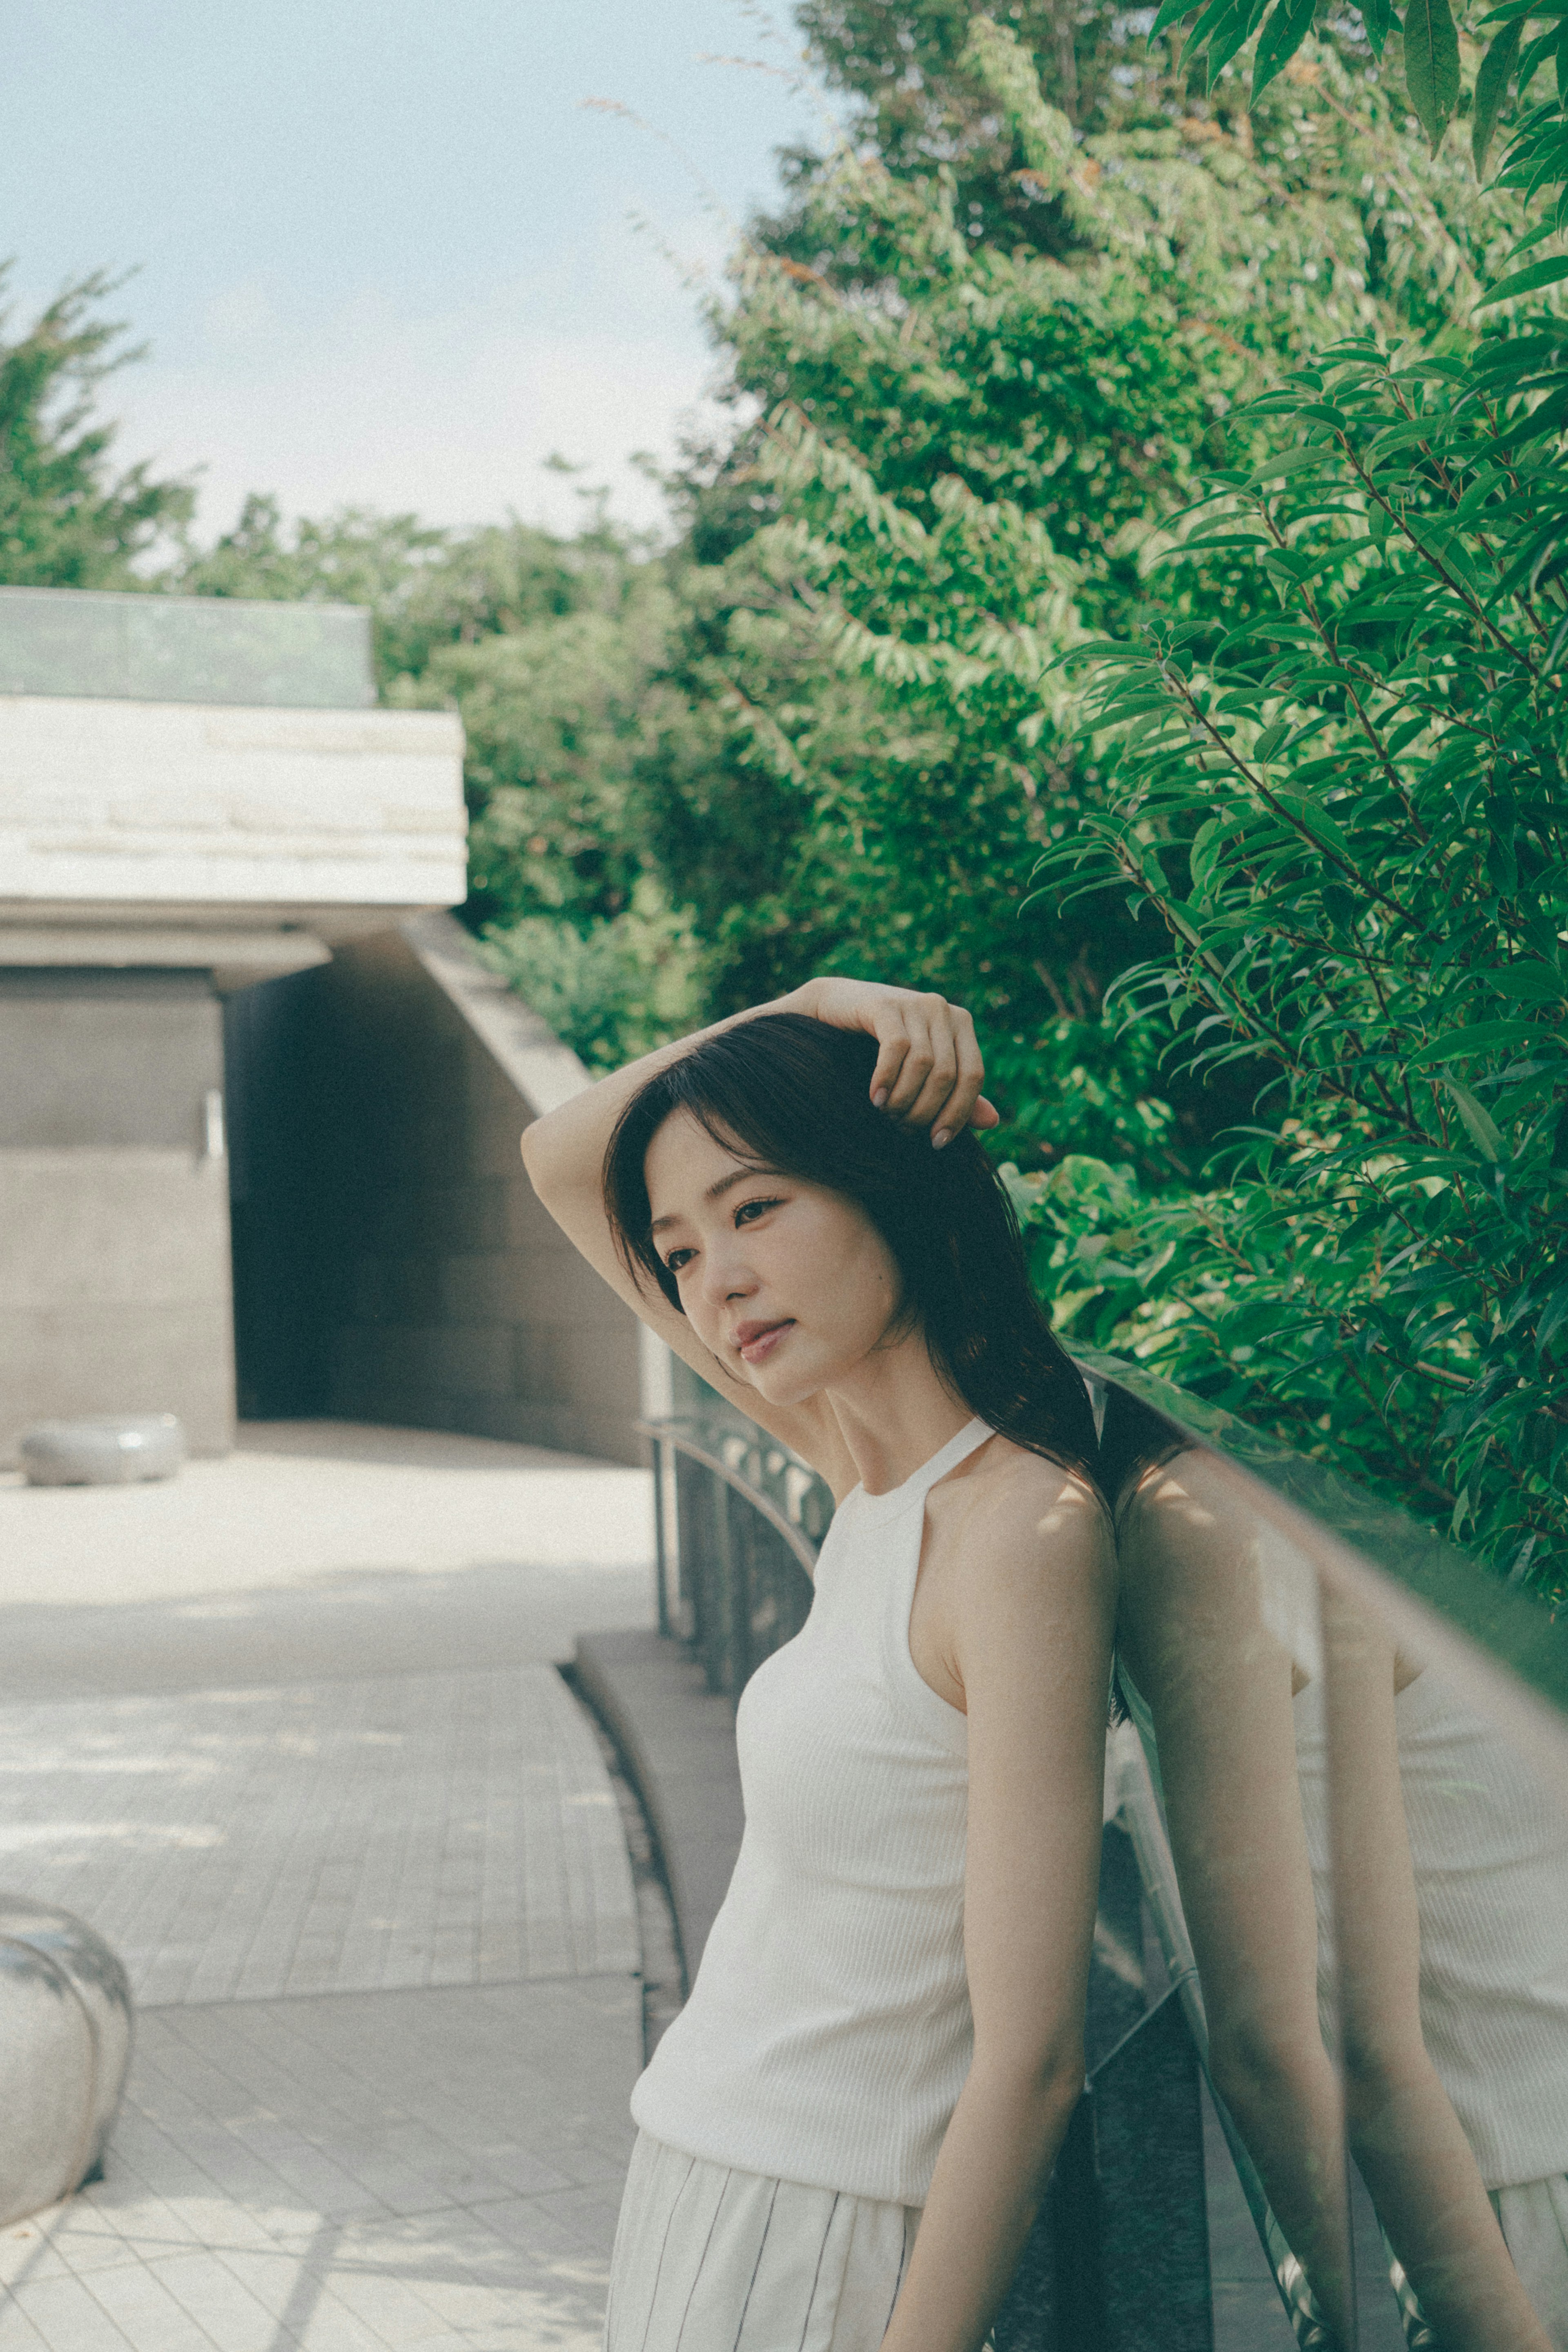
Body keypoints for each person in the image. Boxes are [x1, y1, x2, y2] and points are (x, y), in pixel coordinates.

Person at [521, 977, 1116, 2352]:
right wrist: (809, 1005)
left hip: (819, 2235)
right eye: (677, 1252)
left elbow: (1032, 2063)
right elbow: (560, 1156)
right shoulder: (862, 1475)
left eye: (756, 1208)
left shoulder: (1021, 1531)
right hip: (698, 2171)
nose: (714, 1281)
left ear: (887, 1187)